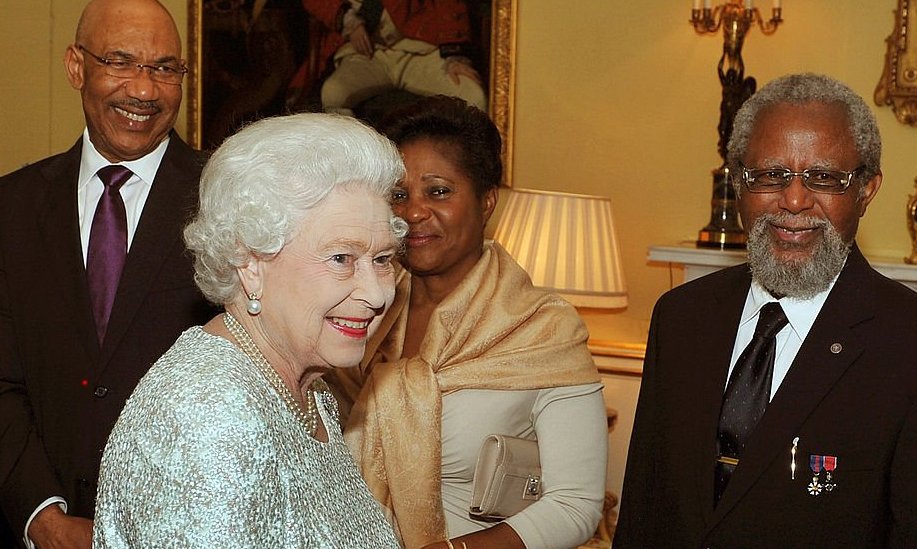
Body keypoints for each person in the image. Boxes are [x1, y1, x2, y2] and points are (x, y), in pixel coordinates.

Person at [614, 73, 917, 547]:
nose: (795, 200)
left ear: (866, 190)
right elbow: (644, 508)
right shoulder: (681, 319)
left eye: (824, 178)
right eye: (770, 175)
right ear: (739, 182)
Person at [92, 113, 405, 548]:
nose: (375, 294)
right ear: (250, 264)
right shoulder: (207, 415)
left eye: (383, 259)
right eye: (341, 259)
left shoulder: (304, 391)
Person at [326, 95, 607, 549]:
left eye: (438, 191)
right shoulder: (356, 310)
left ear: (487, 200)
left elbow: (575, 503)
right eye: (399, 195)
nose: (414, 212)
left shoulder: (540, 328)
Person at [0, 1, 218, 547]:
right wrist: (40, 517)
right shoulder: (13, 207)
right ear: (76, 67)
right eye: (120, 62)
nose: (144, 91)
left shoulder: (227, 204)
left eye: (165, 68)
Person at [302, 0, 487, 115]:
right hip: (366, 54)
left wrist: (455, 56)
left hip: (420, 51)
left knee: (473, 97)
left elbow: (449, 5)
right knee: (333, 93)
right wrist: (347, 21)